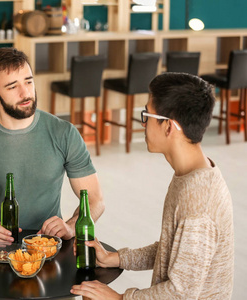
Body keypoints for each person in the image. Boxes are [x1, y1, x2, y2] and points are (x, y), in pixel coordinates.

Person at [71, 73, 234, 299]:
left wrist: (118, 298)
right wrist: (116, 258)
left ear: (168, 127)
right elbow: (174, 250)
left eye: (146, 115)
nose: (143, 122)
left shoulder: (198, 202)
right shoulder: (191, 174)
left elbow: (181, 293)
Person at [0, 47, 104, 243]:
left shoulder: (64, 133)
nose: (25, 93)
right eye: (12, 87)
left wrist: (71, 227)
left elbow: (95, 199)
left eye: (28, 82)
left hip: (48, 243)